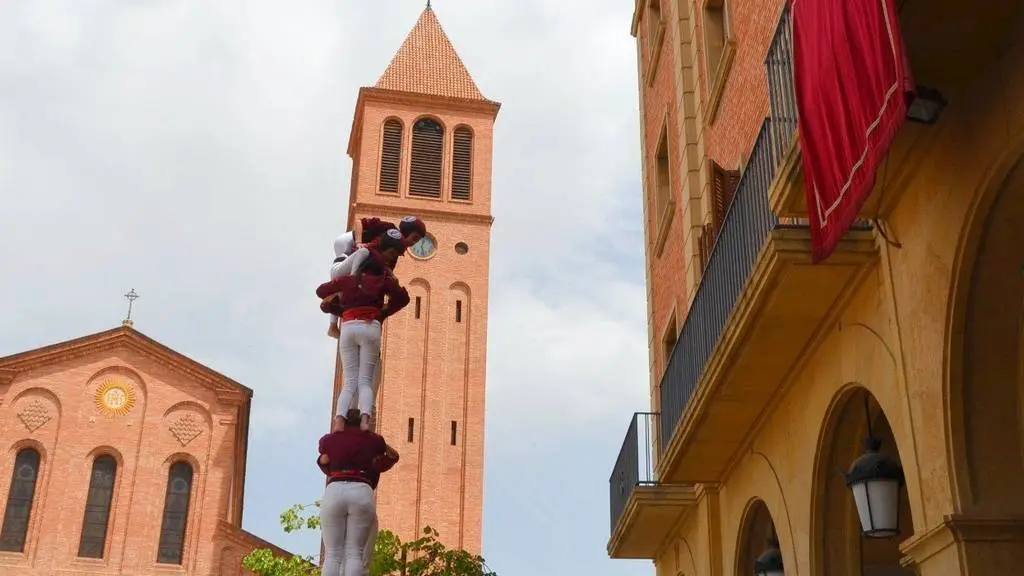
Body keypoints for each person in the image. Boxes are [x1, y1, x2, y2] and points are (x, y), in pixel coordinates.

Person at [316, 229, 411, 431]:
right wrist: (384, 311)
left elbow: (321, 292)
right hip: (371, 327)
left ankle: (339, 420)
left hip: (349, 327)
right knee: (365, 381)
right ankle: (366, 420)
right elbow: (403, 298)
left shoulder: (348, 280)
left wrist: (337, 296)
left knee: (349, 382)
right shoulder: (383, 280)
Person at [317, 409, 399, 576]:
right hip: (362, 492)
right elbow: (393, 456)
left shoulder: (331, 439)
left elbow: (323, 460)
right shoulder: (373, 441)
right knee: (355, 553)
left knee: (332, 554)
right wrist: (370, 436)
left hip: (336, 490)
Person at [327, 216, 426, 338]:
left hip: (357, 255)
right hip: (347, 242)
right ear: (406, 232)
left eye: (417, 241)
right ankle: (332, 325)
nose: (413, 243)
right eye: (414, 238)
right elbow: (358, 222)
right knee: (348, 281)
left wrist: (392, 277)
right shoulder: (389, 229)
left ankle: (333, 324)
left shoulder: (396, 248)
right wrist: (358, 242)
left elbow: (382, 264)